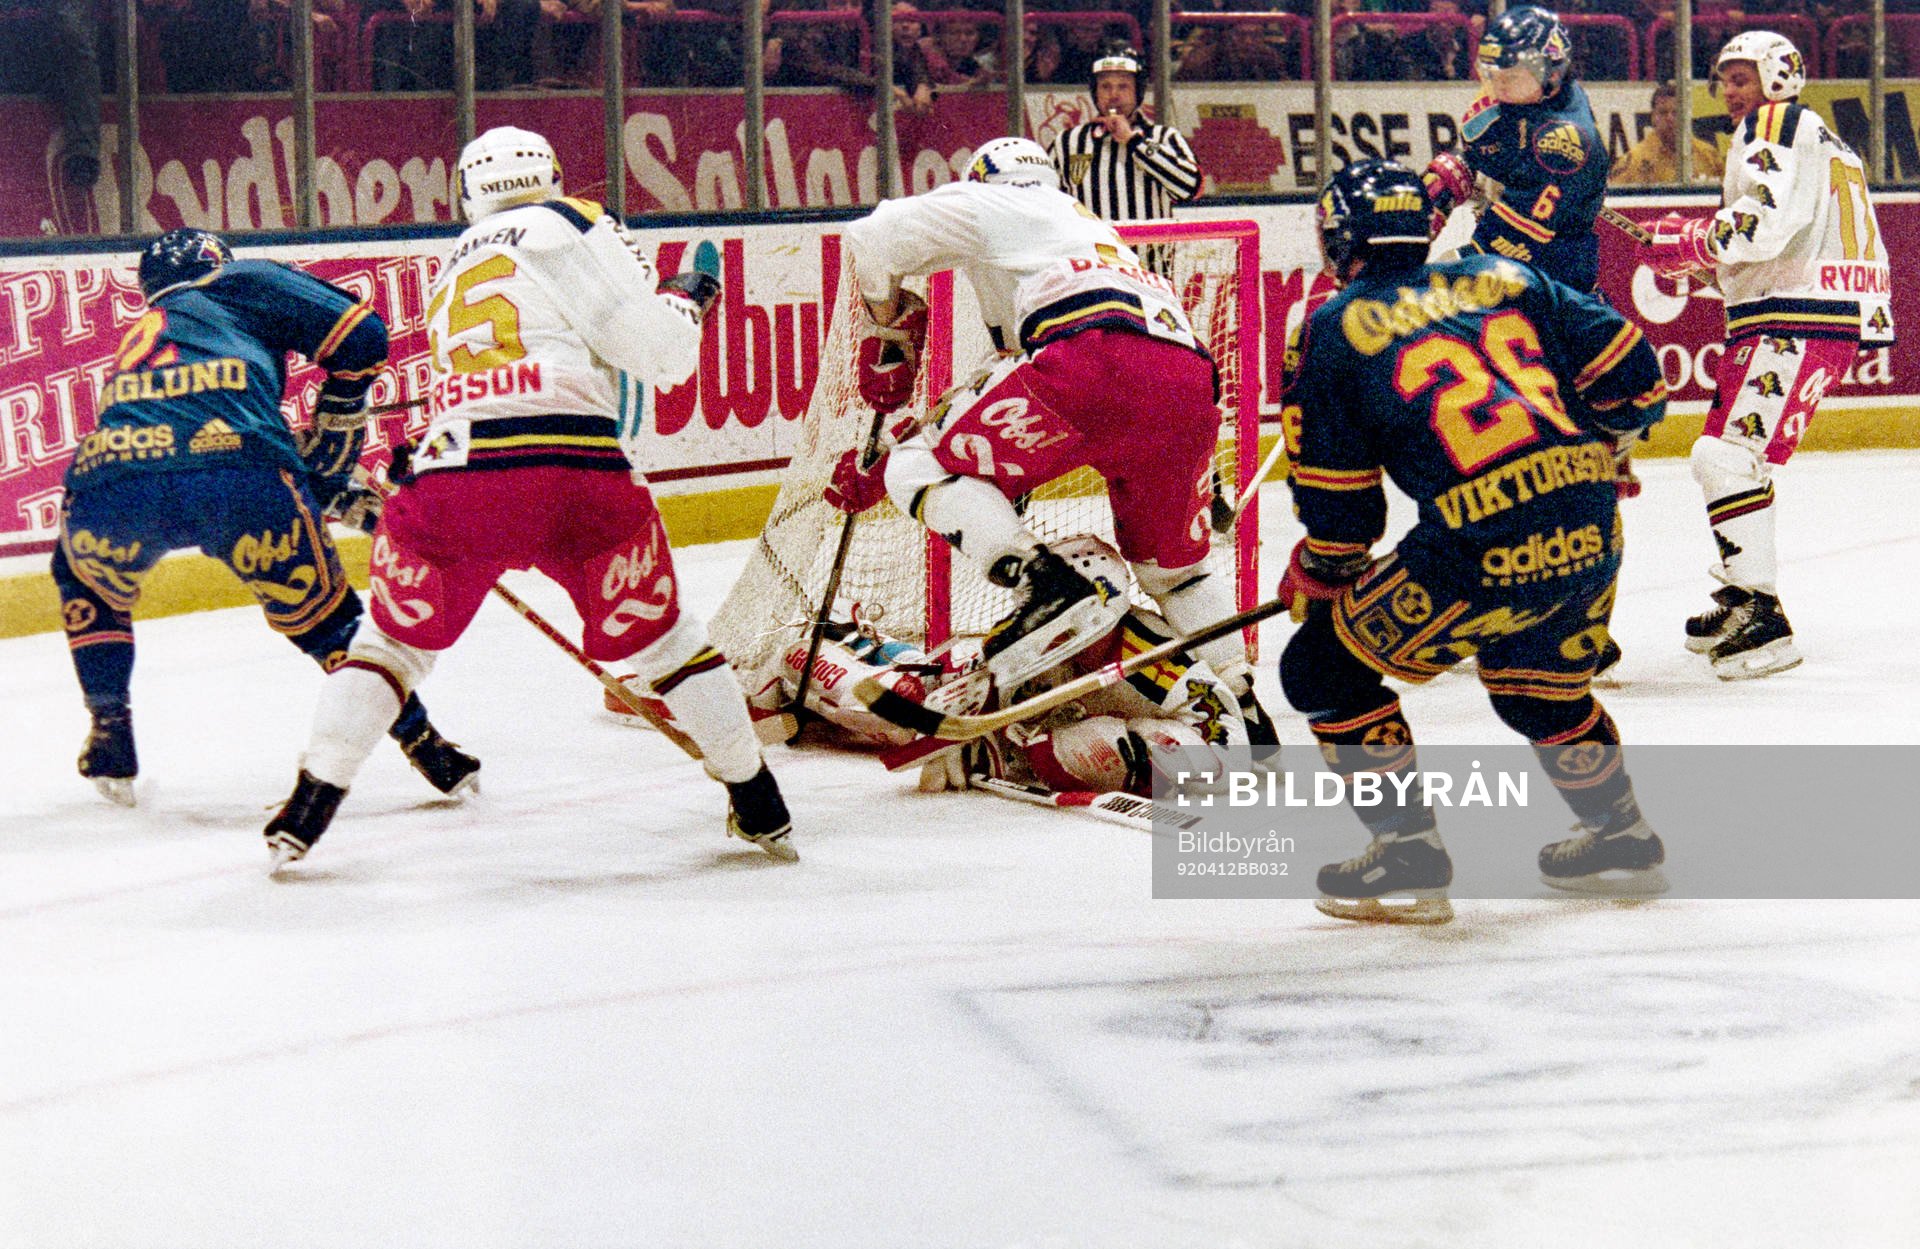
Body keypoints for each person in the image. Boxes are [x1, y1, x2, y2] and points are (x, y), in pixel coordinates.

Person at [264, 126, 795, 869]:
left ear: (468, 192)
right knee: (666, 640)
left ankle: (310, 803)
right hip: (572, 464)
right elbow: (662, 357)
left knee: (388, 648)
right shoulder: (573, 219)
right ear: (549, 173)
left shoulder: (455, 258)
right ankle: (757, 797)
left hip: (453, 473)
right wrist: (687, 299)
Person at [1277, 159, 1669, 925]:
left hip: (1480, 548)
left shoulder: (1329, 327)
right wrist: (1609, 448)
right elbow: (1635, 373)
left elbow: (1345, 514)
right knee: (1534, 684)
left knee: (1321, 669)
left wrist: (1320, 573)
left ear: (1338, 241)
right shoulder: (1508, 274)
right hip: (1590, 521)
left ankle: (1407, 854)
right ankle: (1620, 834)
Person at [825, 135, 1280, 747]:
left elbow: (871, 235)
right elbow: (1012, 373)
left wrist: (889, 332)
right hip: (1188, 381)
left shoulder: (1000, 203)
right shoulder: (1082, 234)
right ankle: (1245, 702)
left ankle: (1047, 586)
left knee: (917, 469)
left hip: (1094, 360)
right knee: (1179, 573)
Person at [52, 228, 478, 810]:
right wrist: (337, 439)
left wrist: (323, 480)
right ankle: (426, 745)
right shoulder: (236, 279)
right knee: (329, 624)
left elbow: (177, 438)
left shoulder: (145, 336)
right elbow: (362, 336)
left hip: (111, 476)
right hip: (240, 471)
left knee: (88, 586)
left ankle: (109, 729)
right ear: (214, 262)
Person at [1645, 31, 1894, 679]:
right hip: (1807, 314)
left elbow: (1764, 223)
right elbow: (1788, 239)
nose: (1728, 91)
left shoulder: (1775, 121)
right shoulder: (1818, 135)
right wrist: (1701, 265)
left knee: (1724, 457)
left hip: (1798, 321)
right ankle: (1742, 594)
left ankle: (1761, 616)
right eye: (1724, 79)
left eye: (1742, 78)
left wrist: (1693, 238)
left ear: (1778, 79)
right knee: (1732, 458)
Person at [1421, 5, 1610, 294]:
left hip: (1552, 291)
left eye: (1510, 77)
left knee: (1427, 301)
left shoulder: (1564, 145)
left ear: (1553, 74)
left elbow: (1500, 250)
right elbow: (1476, 158)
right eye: (1492, 75)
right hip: (1524, 259)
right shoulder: (1537, 95)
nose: (1497, 87)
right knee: (1446, 173)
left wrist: (1415, 289)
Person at [1046, 41, 1202, 260]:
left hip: (1151, 274)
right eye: (1106, 86)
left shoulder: (1164, 138)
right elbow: (1044, 202)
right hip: (1092, 271)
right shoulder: (1067, 142)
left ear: (1137, 91)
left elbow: (1192, 188)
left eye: (1123, 87)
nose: (1114, 95)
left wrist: (1132, 141)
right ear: (1095, 91)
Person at [1611, 81, 1727, 186]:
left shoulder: (1709, 155)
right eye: (1663, 112)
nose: (1670, 118)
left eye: (1676, 112)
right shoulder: (1634, 161)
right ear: (1653, 118)